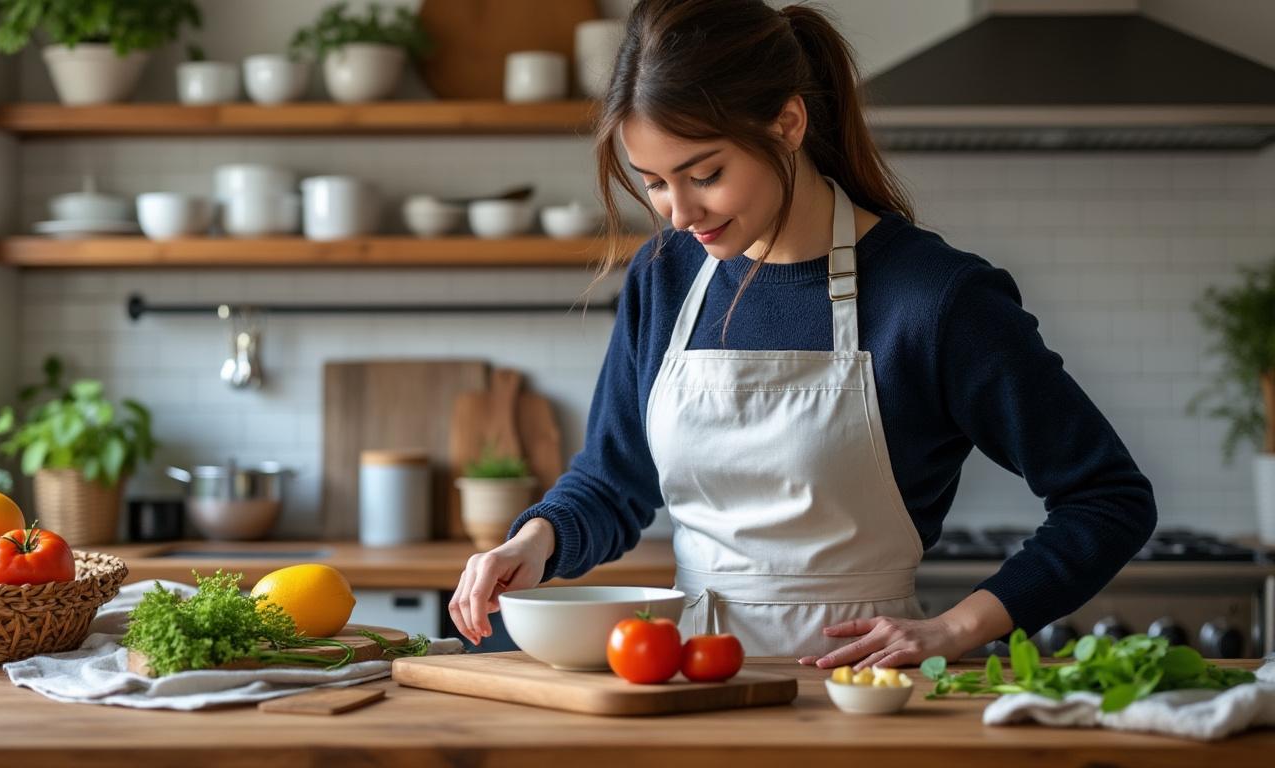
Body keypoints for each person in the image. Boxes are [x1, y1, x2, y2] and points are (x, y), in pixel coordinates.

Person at [448, 0, 1156, 670]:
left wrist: (957, 627)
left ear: (788, 123)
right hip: (686, 680)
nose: (679, 213)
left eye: (705, 174)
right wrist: (534, 540)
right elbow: (614, 480)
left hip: (860, 694)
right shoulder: (664, 276)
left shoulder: (937, 298)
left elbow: (1108, 497)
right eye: (655, 183)